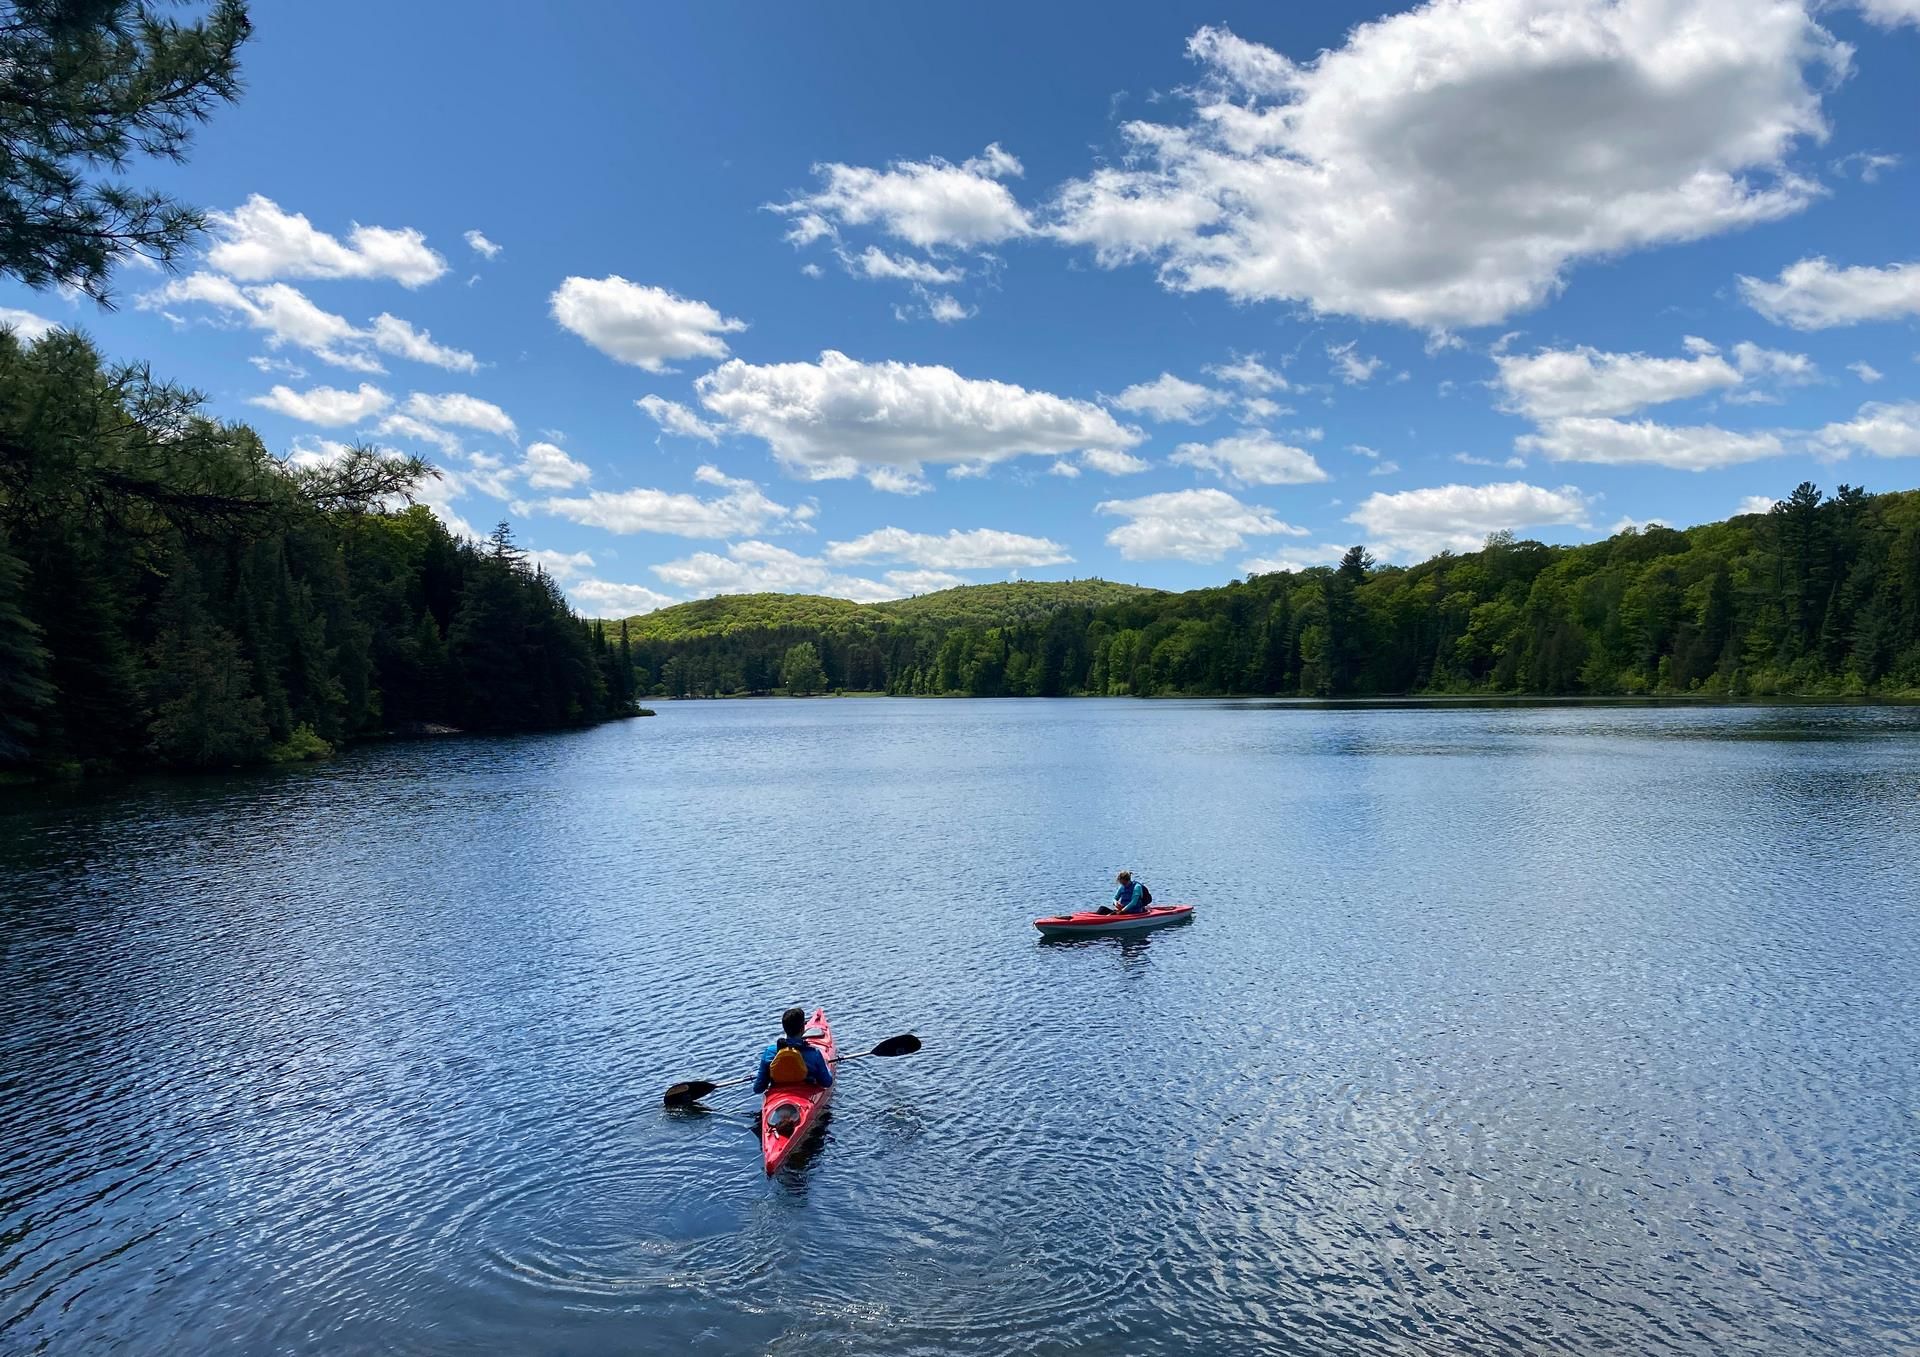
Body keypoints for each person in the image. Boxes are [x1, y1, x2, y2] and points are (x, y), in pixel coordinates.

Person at [753, 1006, 834, 1092]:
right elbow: (827, 1082)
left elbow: (758, 1089)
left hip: (778, 1096)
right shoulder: (814, 1054)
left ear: (784, 1029)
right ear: (803, 1028)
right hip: (805, 1095)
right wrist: (824, 1064)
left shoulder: (769, 1052)